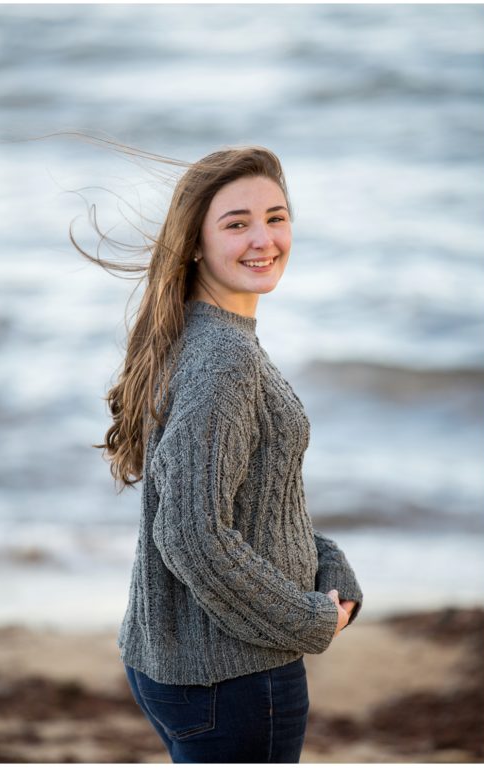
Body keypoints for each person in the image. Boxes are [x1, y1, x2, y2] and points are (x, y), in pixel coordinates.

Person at [76, 146, 362, 763]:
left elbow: (256, 502)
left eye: (276, 217)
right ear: (196, 244)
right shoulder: (224, 360)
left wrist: (328, 565)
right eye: (237, 223)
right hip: (232, 675)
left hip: (188, 664)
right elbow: (191, 534)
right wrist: (308, 618)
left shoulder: (208, 337)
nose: (264, 238)